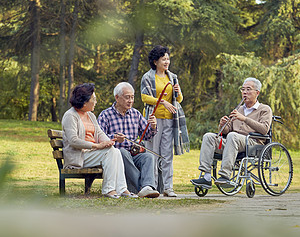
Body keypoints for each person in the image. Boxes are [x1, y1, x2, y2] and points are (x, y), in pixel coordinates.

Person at [190, 77, 273, 189]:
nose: (245, 92)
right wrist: (222, 125)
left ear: (257, 93)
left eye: (248, 89)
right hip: (232, 142)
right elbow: (227, 130)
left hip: (252, 142)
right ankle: (207, 177)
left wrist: (244, 119)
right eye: (243, 89)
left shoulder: (264, 109)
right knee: (209, 136)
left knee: (232, 136)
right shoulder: (239, 109)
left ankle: (225, 175)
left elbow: (264, 129)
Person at [61, 83, 137, 198]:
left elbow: (99, 133)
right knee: (110, 152)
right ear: (85, 102)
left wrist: (109, 142)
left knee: (115, 151)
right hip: (78, 156)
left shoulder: (90, 115)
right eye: (94, 99)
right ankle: (109, 189)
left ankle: (122, 189)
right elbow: (73, 141)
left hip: (90, 154)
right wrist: (96, 146)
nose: (96, 102)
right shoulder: (70, 116)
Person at [140, 45, 190, 197]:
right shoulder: (148, 77)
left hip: (170, 120)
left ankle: (168, 187)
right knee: (153, 154)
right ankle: (153, 186)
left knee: (167, 154)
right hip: (153, 119)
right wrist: (162, 102)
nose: (166, 61)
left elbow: (179, 99)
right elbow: (144, 97)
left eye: (168, 58)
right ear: (155, 61)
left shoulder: (172, 77)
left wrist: (178, 92)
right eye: (163, 59)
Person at [98, 82, 160, 198]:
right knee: (122, 152)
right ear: (117, 97)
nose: (130, 100)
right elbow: (99, 137)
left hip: (134, 153)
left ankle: (147, 186)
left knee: (149, 157)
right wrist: (115, 138)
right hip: (116, 155)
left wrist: (152, 127)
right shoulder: (105, 115)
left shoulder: (135, 114)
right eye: (127, 97)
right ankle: (142, 188)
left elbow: (147, 136)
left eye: (132, 97)